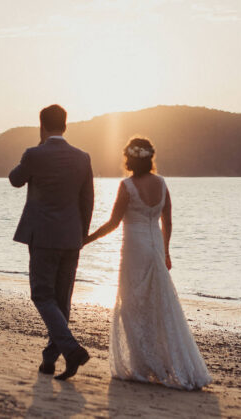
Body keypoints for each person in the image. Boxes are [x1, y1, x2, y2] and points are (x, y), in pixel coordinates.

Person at [84, 137, 211, 390]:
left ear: (130, 159)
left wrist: (87, 239)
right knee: (160, 306)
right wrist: (166, 251)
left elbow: (113, 223)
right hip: (154, 249)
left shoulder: (127, 186)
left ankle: (142, 365)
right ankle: (164, 363)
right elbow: (168, 221)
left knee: (133, 305)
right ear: (149, 158)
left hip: (134, 250)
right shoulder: (162, 183)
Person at [9, 104, 94, 381]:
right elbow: (88, 200)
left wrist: (36, 148)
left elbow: (14, 179)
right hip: (72, 238)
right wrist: (81, 234)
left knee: (43, 295)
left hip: (43, 237)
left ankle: (71, 350)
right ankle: (49, 360)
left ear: (41, 125)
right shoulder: (83, 158)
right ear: (66, 126)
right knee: (62, 300)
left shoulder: (34, 154)